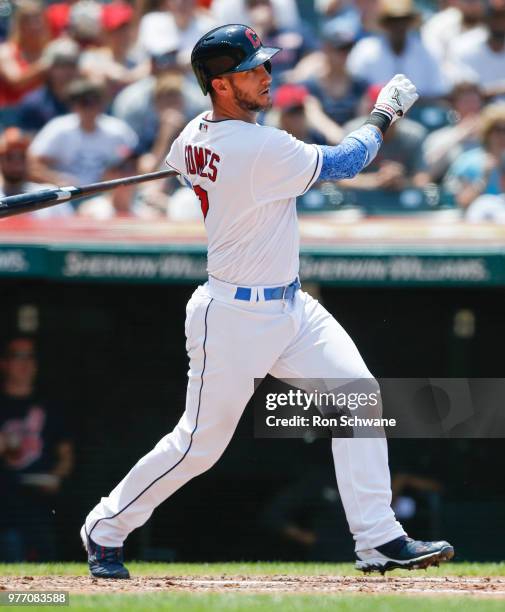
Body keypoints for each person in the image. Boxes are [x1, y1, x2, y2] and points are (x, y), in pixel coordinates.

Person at [81, 24, 454, 579]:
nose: (267, 75)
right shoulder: (256, 146)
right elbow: (348, 162)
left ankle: (378, 539)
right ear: (221, 84)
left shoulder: (196, 135)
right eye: (253, 68)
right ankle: (104, 527)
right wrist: (384, 113)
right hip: (232, 315)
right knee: (199, 445)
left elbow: (189, 167)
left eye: (265, 64)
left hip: (292, 308)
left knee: (359, 396)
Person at [0, 336, 74, 561]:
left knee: (46, 573)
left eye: (30, 356)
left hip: (40, 507)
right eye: (18, 356)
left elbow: (66, 457)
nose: (25, 363)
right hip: (4, 507)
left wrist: (56, 476)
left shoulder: (49, 405)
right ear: (4, 363)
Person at [29, 79, 138, 188]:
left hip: (105, 195)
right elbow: (32, 162)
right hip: (67, 196)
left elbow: (137, 160)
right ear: (73, 106)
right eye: (84, 103)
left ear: (102, 104)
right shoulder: (59, 129)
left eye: (94, 102)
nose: (90, 108)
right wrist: (55, 179)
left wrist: (116, 174)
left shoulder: (118, 130)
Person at [347, 0, 448, 99]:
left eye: (403, 20)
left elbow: (438, 92)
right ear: (385, 24)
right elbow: (354, 88)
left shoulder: (426, 51)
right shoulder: (365, 50)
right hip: (375, 111)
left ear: (409, 23)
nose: (398, 26)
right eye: (393, 21)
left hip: (417, 111)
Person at [444, 103, 505, 209]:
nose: (502, 135)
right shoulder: (467, 161)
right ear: (487, 132)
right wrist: (484, 176)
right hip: (477, 218)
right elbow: (463, 202)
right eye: (498, 130)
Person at [16, 39, 81, 133]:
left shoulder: (89, 102)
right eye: (61, 64)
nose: (68, 71)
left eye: (72, 64)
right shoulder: (33, 104)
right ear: (49, 69)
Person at [0, 0, 49, 108]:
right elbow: (16, 81)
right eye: (29, 22)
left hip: (43, 112)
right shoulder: (6, 51)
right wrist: (47, 64)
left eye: (39, 20)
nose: (35, 26)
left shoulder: (48, 50)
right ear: (20, 25)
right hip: (12, 114)